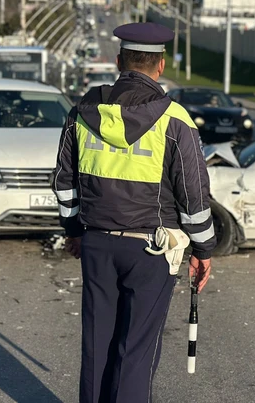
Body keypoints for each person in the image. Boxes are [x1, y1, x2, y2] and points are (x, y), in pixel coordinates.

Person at [52, 22, 217, 403]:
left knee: (97, 345)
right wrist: (203, 250)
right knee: (136, 352)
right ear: (161, 65)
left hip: (97, 244)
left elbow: (63, 182)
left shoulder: (81, 113)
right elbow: (194, 196)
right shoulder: (175, 120)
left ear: (118, 62)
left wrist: (73, 231)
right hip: (152, 251)